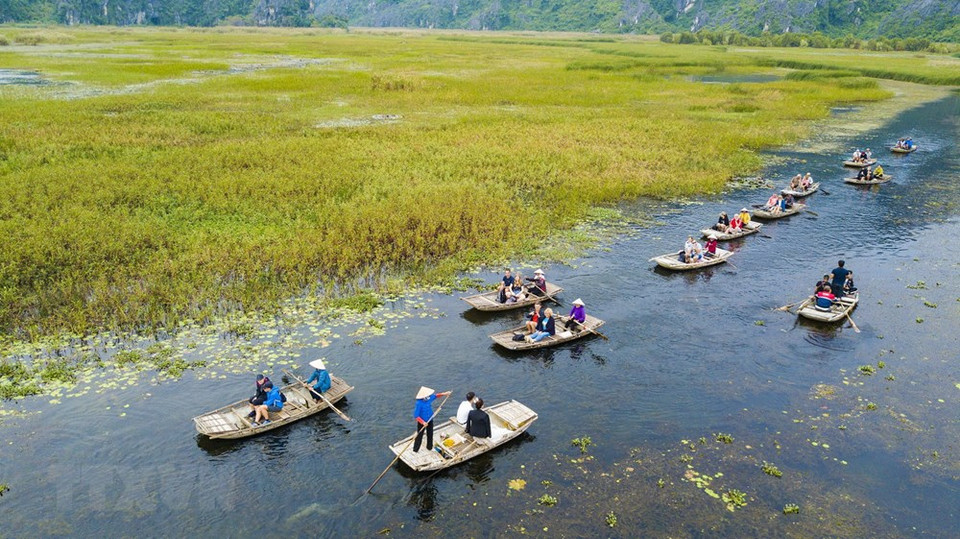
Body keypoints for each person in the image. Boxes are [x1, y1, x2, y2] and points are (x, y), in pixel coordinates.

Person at [413, 387, 452, 452]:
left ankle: (429, 447)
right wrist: (423, 422)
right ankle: (415, 449)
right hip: (422, 422)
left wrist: (445, 394)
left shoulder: (429, 398)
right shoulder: (419, 403)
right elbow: (416, 416)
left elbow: (436, 396)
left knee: (430, 433)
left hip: (430, 419)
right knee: (419, 435)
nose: (428, 396)